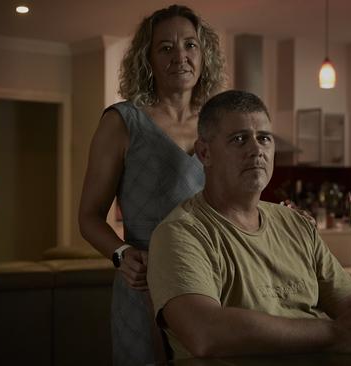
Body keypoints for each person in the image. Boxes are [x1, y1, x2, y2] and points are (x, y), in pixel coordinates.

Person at [147, 90, 351, 359]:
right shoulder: (180, 233)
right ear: (204, 153)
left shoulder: (296, 224)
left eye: (264, 138)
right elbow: (205, 332)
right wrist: (337, 334)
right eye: (239, 139)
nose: (256, 150)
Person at [78, 5, 225, 366]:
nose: (181, 56)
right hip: (144, 285)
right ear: (148, 58)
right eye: (166, 47)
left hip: (215, 281)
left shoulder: (219, 121)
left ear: (203, 54)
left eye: (190, 45)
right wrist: (121, 254)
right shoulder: (122, 122)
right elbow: (89, 217)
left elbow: (236, 205)